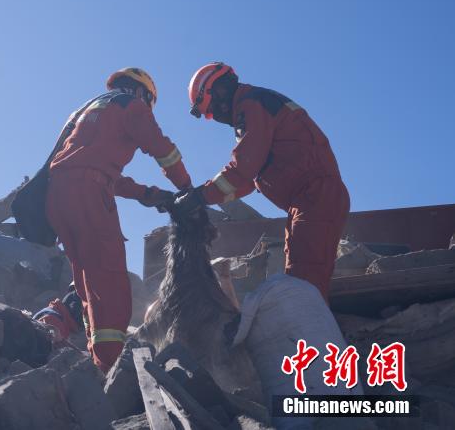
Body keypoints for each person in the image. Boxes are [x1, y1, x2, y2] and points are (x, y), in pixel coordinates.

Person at [45, 67, 192, 372]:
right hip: (89, 194)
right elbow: (162, 149)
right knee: (110, 283)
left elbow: (96, 172)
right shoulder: (132, 105)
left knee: (87, 281)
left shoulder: (88, 110)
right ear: (141, 93)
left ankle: (85, 351)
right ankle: (111, 367)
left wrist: (149, 194)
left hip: (58, 195)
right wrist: (187, 189)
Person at [174, 62, 349, 299]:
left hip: (315, 197)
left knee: (305, 284)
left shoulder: (252, 105)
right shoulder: (256, 106)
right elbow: (247, 181)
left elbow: (243, 169)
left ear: (219, 91)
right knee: (298, 279)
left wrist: (199, 196)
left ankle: (310, 324)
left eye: (212, 109)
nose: (216, 116)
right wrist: (203, 197)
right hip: (308, 200)